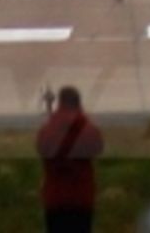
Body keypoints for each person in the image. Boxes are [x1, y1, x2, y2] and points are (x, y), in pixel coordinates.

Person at [36, 85, 106, 233]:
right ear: (79, 102)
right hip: (81, 198)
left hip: (55, 199)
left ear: (59, 103)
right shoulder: (88, 129)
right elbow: (98, 147)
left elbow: (41, 148)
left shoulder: (47, 130)